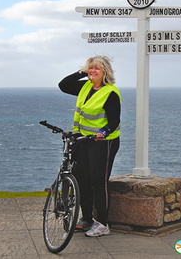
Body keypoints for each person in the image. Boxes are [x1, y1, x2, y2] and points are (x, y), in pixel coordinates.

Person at [58, 55, 121, 237]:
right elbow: (63, 85)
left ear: (105, 72)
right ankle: (87, 219)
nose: (92, 71)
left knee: (98, 182)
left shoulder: (110, 92)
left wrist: (105, 131)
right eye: (90, 68)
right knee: (81, 180)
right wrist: (83, 72)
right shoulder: (85, 86)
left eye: (97, 69)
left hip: (103, 142)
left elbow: (115, 120)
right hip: (83, 140)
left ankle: (102, 224)